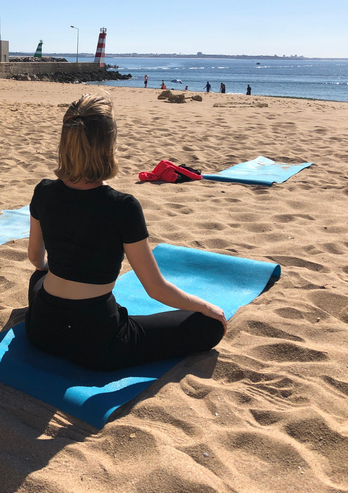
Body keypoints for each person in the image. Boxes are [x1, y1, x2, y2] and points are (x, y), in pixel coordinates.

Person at [24, 95, 227, 371]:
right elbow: (156, 289)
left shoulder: (43, 190)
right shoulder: (121, 206)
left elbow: (36, 260)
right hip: (97, 343)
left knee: (40, 276)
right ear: (109, 145)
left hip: (41, 331)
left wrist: (54, 270)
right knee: (210, 326)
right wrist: (205, 306)